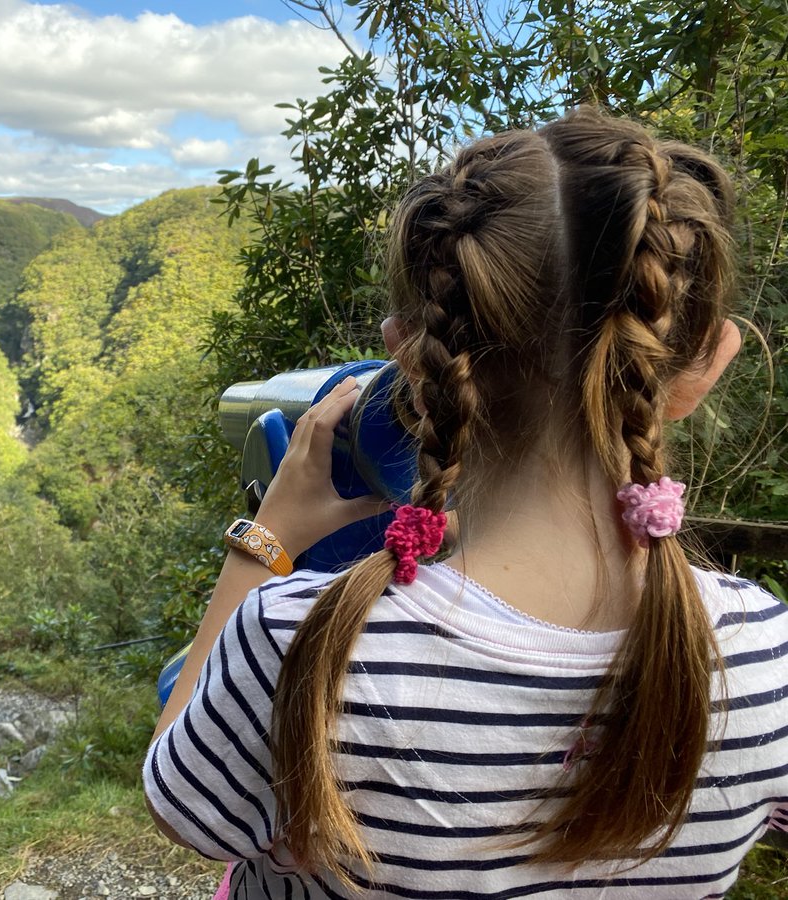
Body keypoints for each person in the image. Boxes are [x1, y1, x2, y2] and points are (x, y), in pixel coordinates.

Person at [142, 107, 788, 899]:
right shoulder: (765, 657)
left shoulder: (299, 646)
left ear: (414, 361)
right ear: (703, 364)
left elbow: (179, 810)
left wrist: (264, 540)